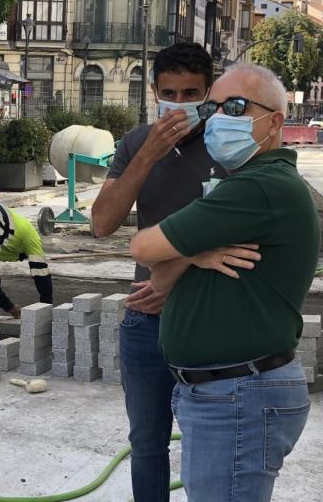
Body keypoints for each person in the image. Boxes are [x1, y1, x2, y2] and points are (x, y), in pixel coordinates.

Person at [130, 63, 319, 502]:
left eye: (234, 107)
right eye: (213, 108)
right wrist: (193, 252)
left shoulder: (258, 189)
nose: (217, 118)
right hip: (221, 392)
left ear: (273, 122)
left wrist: (177, 249)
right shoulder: (244, 187)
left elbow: (142, 247)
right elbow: (159, 278)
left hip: (238, 395)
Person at [90, 41, 226, 502]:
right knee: (147, 443)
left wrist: (178, 272)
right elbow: (103, 222)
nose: (181, 105)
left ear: (209, 92)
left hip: (212, 317)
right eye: (171, 93)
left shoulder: (229, 141)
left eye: (192, 94)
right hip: (146, 319)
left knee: (209, 442)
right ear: (154, 92)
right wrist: (147, 154)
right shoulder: (135, 142)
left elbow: (249, 232)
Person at [0, 198, 52, 319]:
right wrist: (46, 308)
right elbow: (41, 274)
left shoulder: (1, 247)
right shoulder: (31, 238)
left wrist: (9, 307)